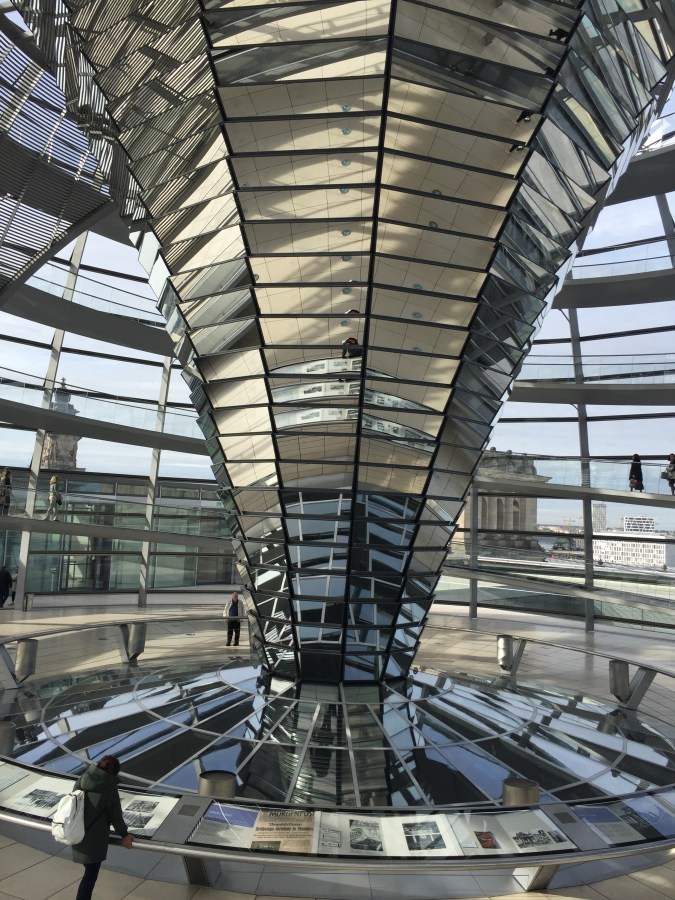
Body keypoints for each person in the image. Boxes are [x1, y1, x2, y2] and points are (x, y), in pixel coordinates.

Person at [71, 755, 133, 900]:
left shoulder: (84, 778)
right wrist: (125, 835)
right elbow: (115, 816)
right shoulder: (109, 788)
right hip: (93, 839)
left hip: (77, 831)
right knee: (90, 876)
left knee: (89, 872)